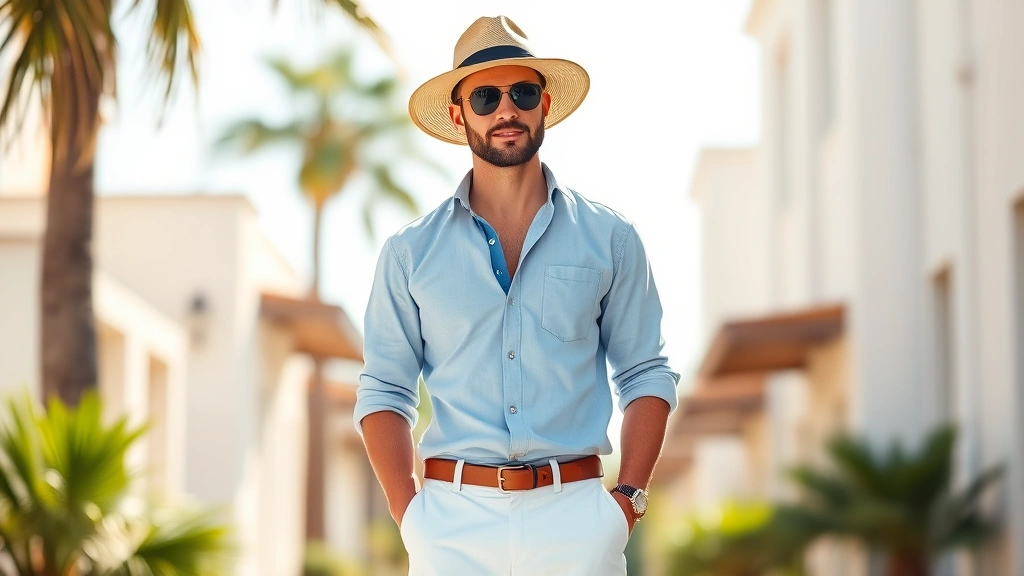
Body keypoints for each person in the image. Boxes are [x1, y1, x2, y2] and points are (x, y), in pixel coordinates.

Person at [354, 15, 679, 575]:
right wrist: (409, 514)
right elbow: (384, 389)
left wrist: (626, 503)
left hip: (578, 520)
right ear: (459, 117)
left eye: (522, 92)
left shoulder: (611, 239)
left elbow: (646, 373)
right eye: (485, 96)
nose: (506, 110)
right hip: (450, 525)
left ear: (544, 105)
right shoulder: (410, 253)